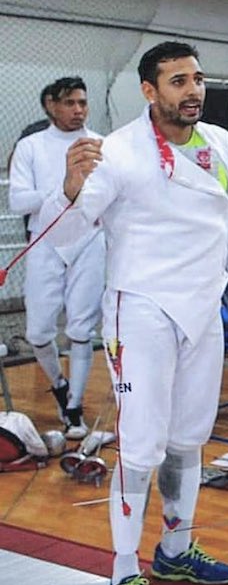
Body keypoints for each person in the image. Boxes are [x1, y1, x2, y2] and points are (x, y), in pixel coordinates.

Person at [38, 41, 228, 585]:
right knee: (140, 448)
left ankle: (175, 548)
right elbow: (65, 238)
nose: (192, 90)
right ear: (149, 91)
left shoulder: (219, 143)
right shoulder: (115, 152)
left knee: (188, 440)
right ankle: (122, 575)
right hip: (139, 310)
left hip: (202, 309)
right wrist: (67, 188)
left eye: (196, 79)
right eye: (177, 82)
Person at [8, 77, 105, 440]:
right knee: (37, 332)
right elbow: (18, 201)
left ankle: (74, 407)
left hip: (89, 240)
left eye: (82, 102)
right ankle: (60, 385)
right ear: (51, 105)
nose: (78, 110)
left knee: (81, 328)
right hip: (45, 243)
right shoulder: (30, 147)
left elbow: (109, 196)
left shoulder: (100, 145)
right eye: (69, 103)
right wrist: (64, 190)